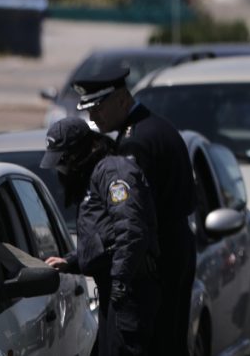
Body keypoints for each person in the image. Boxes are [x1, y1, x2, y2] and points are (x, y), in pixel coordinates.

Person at [74, 65, 196, 356]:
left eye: (98, 108)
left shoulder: (135, 142)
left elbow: (134, 218)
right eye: (89, 110)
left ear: (121, 99)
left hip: (158, 256)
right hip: (175, 245)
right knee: (171, 341)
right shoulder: (155, 126)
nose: (93, 117)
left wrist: (121, 275)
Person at [41, 117, 158, 355]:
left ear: (77, 153)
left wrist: (120, 282)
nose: (61, 169)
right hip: (115, 291)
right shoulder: (94, 175)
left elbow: (131, 229)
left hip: (128, 292)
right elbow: (104, 235)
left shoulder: (112, 171)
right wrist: (72, 261)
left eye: (62, 161)